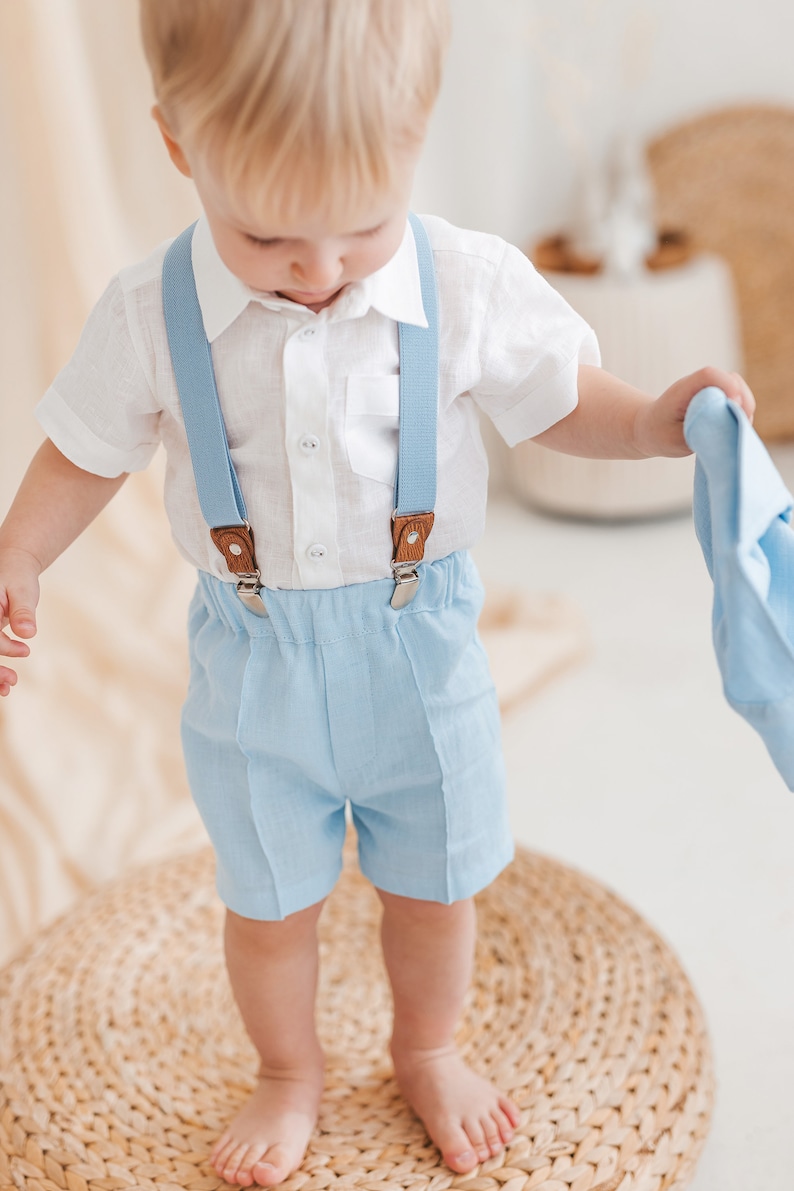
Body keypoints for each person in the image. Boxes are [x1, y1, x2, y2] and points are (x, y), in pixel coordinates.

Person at [0, 1, 755, 1187]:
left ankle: (428, 1044)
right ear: (177, 146)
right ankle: (288, 1069)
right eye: (264, 240)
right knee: (268, 907)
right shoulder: (150, 315)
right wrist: (22, 554)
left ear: (413, 140)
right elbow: (83, 451)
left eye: (359, 228)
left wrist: (655, 422)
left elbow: (557, 396)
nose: (319, 270)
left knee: (434, 887)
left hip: (423, 658)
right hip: (253, 673)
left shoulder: (462, 281)